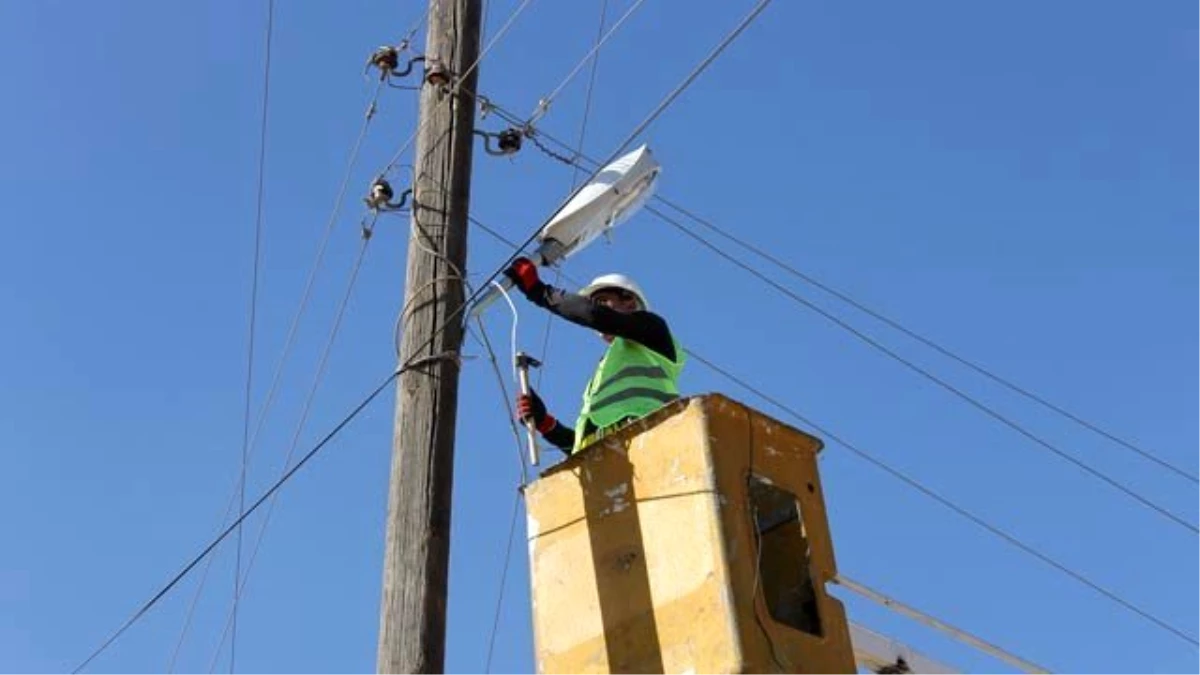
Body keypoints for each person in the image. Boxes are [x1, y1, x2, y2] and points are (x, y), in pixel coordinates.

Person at [503, 257, 685, 455]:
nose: (595, 306)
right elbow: (585, 450)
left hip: (650, 438)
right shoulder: (605, 372)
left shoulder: (653, 329)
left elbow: (594, 315)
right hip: (616, 464)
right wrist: (546, 423)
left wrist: (541, 292)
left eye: (601, 301)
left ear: (630, 302)